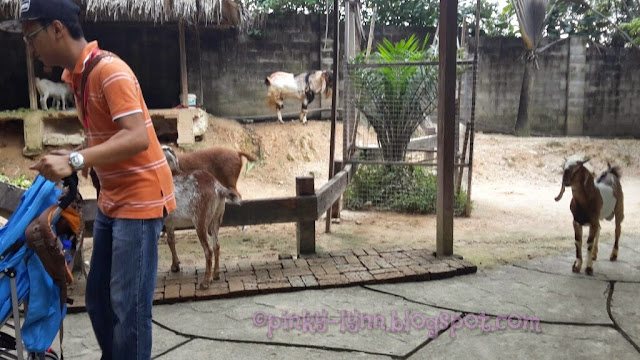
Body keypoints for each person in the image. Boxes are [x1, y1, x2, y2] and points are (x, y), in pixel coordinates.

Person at [20, 0, 176, 359]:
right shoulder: (79, 76)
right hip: (113, 199)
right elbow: (104, 136)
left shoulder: (110, 71)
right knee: (98, 300)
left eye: (32, 36)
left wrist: (76, 159)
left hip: (140, 199)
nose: (30, 47)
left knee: (129, 307)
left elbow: (136, 136)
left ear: (58, 28)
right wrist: (75, 153)